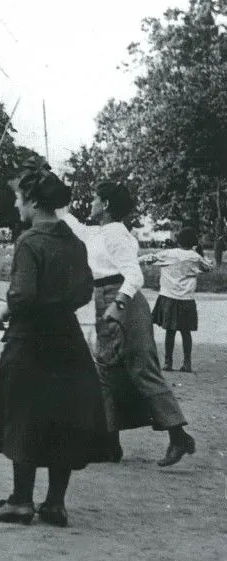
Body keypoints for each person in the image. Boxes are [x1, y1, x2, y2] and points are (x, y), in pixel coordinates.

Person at [0, 161, 114, 528]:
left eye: (19, 200)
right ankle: (55, 504)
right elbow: (85, 290)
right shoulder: (73, 240)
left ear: (35, 202)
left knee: (23, 414)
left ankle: (21, 501)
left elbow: (23, 295)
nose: (16, 207)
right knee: (62, 418)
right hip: (67, 340)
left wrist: (5, 310)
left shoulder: (30, 241)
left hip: (30, 341)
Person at [60, 180, 196, 467]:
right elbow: (78, 229)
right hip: (106, 298)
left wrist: (118, 304)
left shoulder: (116, 236)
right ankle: (110, 446)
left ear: (106, 205)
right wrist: (53, 200)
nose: (92, 203)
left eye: (96, 198)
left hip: (124, 302)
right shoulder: (102, 232)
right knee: (106, 370)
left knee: (142, 369)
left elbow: (135, 276)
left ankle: (178, 436)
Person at [139, 226, 213, 373]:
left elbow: (150, 258)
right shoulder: (195, 257)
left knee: (170, 331)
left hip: (169, 297)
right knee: (186, 332)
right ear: (193, 242)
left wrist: (134, 261)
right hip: (187, 299)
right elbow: (208, 268)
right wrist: (205, 259)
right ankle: (187, 362)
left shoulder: (168, 254)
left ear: (178, 240)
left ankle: (168, 362)